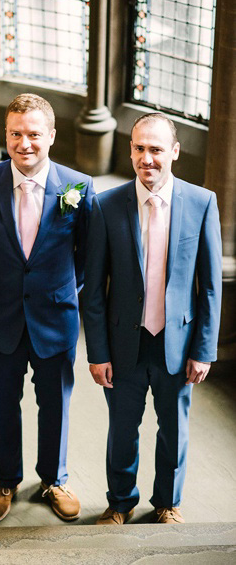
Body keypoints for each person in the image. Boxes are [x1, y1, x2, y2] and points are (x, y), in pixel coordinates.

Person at [82, 112, 222, 525]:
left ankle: (167, 504)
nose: (147, 158)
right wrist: (97, 352)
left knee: (173, 430)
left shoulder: (201, 203)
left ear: (174, 152)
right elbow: (93, 290)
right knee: (122, 431)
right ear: (130, 150)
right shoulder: (106, 205)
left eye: (156, 149)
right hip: (124, 343)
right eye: (140, 148)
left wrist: (204, 350)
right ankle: (120, 502)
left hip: (177, 344)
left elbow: (210, 286)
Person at [0, 93, 92, 523]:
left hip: (55, 319)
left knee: (55, 403)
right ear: (6, 135)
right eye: (16, 134)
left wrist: (61, 293)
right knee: (3, 403)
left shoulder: (78, 187)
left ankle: (54, 478)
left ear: (51, 136)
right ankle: (4, 480)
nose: (25, 143)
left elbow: (89, 257)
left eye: (34, 134)